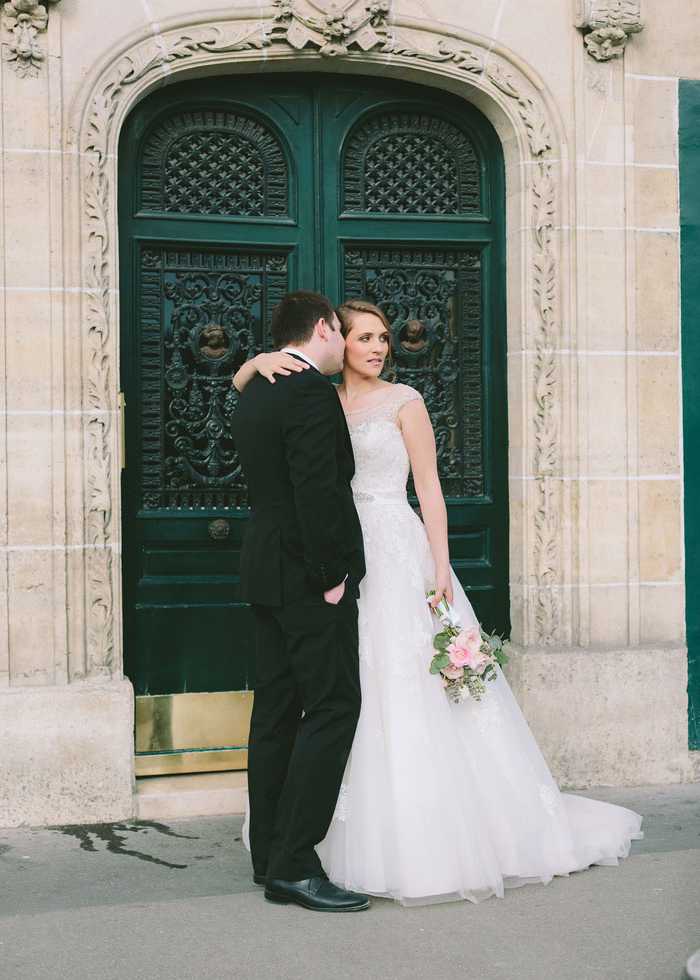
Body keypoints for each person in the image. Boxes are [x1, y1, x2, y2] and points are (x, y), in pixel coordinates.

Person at [234, 298, 643, 906]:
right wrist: (258, 360)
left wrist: (441, 566)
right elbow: (308, 475)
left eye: (384, 339)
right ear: (332, 338)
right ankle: (302, 852)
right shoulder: (307, 389)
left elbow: (428, 487)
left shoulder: (403, 402)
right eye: (365, 337)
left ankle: (324, 846)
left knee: (364, 690)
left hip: (387, 553)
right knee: (335, 699)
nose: (377, 348)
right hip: (330, 559)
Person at [230, 290, 369, 913]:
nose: (345, 346)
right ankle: (294, 863)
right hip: (308, 576)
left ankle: (268, 857)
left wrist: (254, 361)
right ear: (322, 329)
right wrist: (332, 572)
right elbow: (317, 487)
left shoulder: (258, 385)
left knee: (277, 711)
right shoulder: (309, 389)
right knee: (336, 703)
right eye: (342, 333)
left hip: (265, 568)